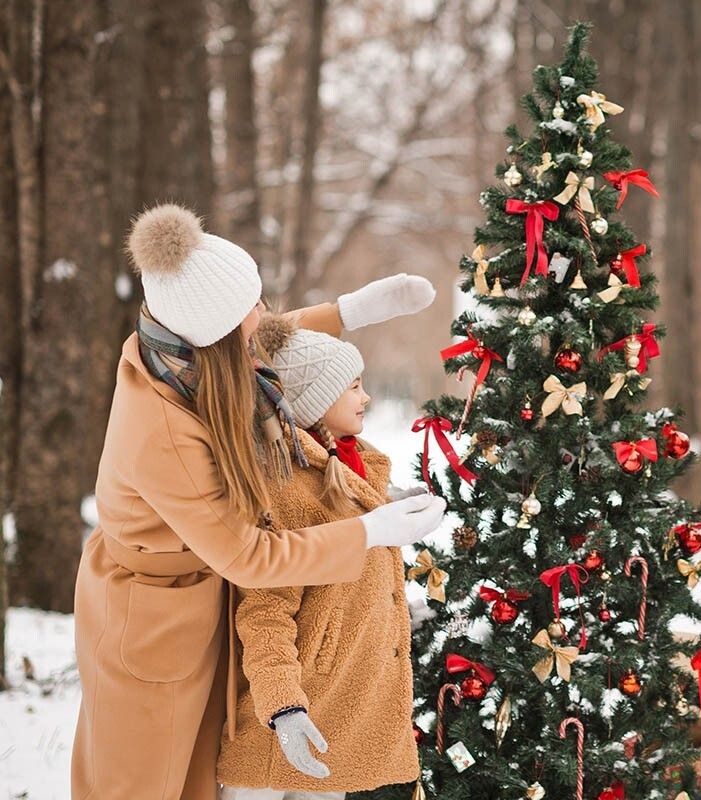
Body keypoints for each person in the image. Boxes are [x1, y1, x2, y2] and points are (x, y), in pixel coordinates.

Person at [72, 204, 446, 800]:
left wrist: (350, 311)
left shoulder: (184, 353)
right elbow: (249, 556)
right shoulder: (163, 431)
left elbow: (256, 338)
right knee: (148, 783)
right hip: (154, 617)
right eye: (253, 308)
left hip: (207, 589)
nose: (265, 316)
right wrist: (369, 532)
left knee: (207, 779)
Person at [217, 317, 420, 799]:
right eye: (353, 387)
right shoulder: (287, 488)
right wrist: (283, 706)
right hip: (288, 710)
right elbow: (265, 610)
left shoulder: (358, 468)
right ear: (314, 402)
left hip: (336, 714)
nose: (366, 397)